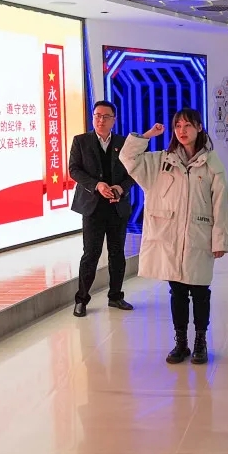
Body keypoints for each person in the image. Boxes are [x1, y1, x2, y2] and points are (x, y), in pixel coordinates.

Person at [119, 110, 228, 366]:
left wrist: (220, 240)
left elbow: (221, 205)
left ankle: (200, 341)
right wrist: (148, 135)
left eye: (188, 125)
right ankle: (181, 342)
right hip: (170, 239)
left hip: (199, 237)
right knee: (177, 292)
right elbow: (128, 157)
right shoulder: (162, 161)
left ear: (199, 127)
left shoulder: (212, 164)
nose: (182, 130)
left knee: (200, 291)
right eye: (178, 126)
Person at [69, 100, 136, 317]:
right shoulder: (81, 141)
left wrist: (121, 188)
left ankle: (115, 296)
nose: (101, 120)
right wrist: (96, 185)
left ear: (114, 120)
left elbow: (134, 171)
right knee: (91, 254)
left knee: (117, 254)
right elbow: (74, 170)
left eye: (106, 116)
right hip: (93, 207)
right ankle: (81, 300)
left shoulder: (123, 143)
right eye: (97, 116)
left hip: (117, 207)